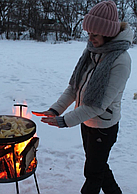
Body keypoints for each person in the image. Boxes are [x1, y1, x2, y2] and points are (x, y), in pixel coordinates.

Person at [32, 1, 134, 194]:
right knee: (99, 166)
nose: (90, 38)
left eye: (94, 34)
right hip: (86, 123)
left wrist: (64, 121)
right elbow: (74, 87)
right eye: (88, 34)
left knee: (93, 173)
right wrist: (55, 110)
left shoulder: (121, 60)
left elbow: (98, 105)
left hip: (104, 127)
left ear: (108, 33)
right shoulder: (92, 52)